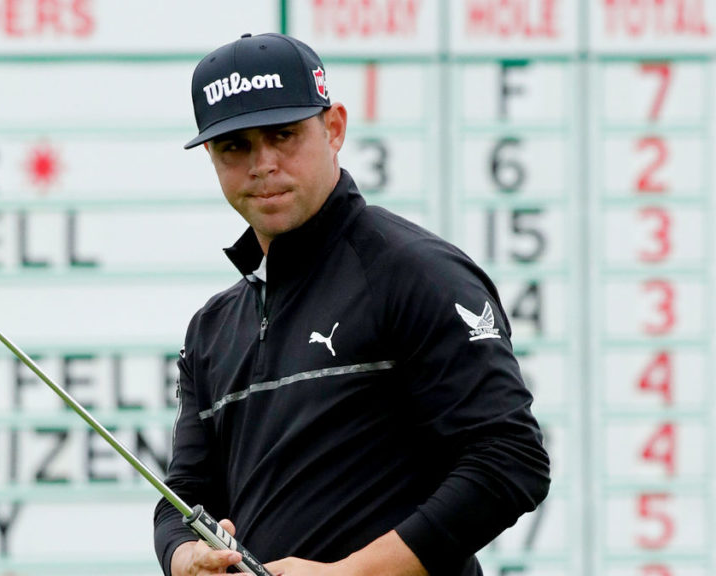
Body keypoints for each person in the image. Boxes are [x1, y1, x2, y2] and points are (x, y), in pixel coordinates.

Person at [153, 32, 550, 576]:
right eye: (234, 147)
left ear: (334, 128)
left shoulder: (417, 272)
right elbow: (182, 498)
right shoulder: (212, 327)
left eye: (283, 135)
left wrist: (350, 574)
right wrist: (187, 558)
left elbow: (510, 461)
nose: (262, 163)